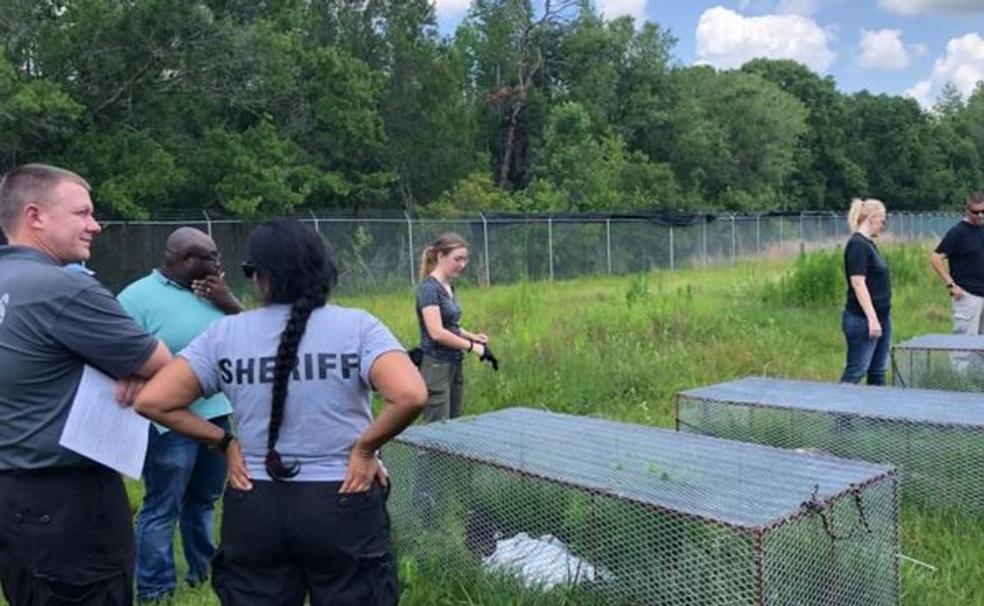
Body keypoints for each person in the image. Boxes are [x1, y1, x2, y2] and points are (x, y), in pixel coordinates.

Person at [134, 219, 427, 605]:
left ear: (261, 278)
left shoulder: (225, 334)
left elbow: (152, 401)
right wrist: (364, 449)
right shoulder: (358, 327)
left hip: (254, 499)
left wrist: (224, 442)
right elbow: (410, 395)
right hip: (343, 495)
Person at [0, 163, 172, 605]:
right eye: (82, 213)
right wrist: (128, 367)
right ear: (35, 216)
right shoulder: (62, 289)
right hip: (67, 500)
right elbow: (165, 366)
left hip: (12, 498)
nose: (94, 225)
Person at [118, 227, 243, 602]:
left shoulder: (214, 293)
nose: (219, 264)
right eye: (211, 257)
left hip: (217, 415)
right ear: (185, 260)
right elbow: (118, 353)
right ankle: (156, 589)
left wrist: (228, 300)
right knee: (162, 505)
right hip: (167, 422)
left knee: (204, 500)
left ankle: (202, 572)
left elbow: (255, 334)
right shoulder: (136, 298)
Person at [415, 232, 491, 422]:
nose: (462, 265)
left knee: (454, 424)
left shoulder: (449, 286)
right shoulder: (429, 289)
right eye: (457, 259)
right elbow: (437, 332)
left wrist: (473, 336)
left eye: (465, 260)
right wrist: (473, 348)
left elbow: (451, 326)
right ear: (441, 256)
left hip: (455, 362)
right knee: (437, 427)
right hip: (436, 364)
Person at [929, 192, 984, 371]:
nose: (980, 216)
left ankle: (977, 382)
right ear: (967, 210)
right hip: (967, 296)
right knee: (964, 345)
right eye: (976, 212)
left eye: (983, 211)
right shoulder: (958, 232)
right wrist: (951, 285)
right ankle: (957, 386)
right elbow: (936, 258)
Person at [840, 198, 891, 385]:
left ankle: (878, 413)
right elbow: (858, 283)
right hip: (862, 319)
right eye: (882, 220)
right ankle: (840, 413)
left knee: (878, 370)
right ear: (871, 218)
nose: (883, 225)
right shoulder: (857, 245)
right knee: (857, 369)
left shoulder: (869, 244)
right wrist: (872, 318)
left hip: (882, 315)